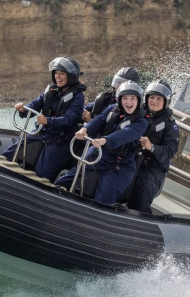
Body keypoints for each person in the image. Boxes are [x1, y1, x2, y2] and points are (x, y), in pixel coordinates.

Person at [55, 81, 147, 205]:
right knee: (63, 182)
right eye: (125, 98)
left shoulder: (141, 122)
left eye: (132, 98)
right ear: (119, 100)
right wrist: (85, 129)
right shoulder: (111, 109)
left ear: (139, 100)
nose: (128, 102)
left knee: (103, 200)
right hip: (97, 155)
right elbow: (98, 120)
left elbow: (125, 134)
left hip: (119, 165)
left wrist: (105, 140)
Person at [2, 56, 86, 183]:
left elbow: (70, 119)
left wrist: (48, 121)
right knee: (8, 155)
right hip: (41, 133)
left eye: (62, 73)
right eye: (56, 73)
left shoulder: (78, 96)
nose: (58, 76)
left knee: (41, 176)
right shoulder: (51, 90)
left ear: (71, 75)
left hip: (60, 141)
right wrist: (23, 109)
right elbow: (35, 104)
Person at [125, 79, 179, 214]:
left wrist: (152, 147)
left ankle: (140, 225)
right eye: (152, 97)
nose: (154, 101)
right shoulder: (137, 112)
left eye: (159, 98)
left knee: (142, 193)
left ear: (166, 101)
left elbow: (169, 151)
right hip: (129, 159)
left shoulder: (170, 125)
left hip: (151, 168)